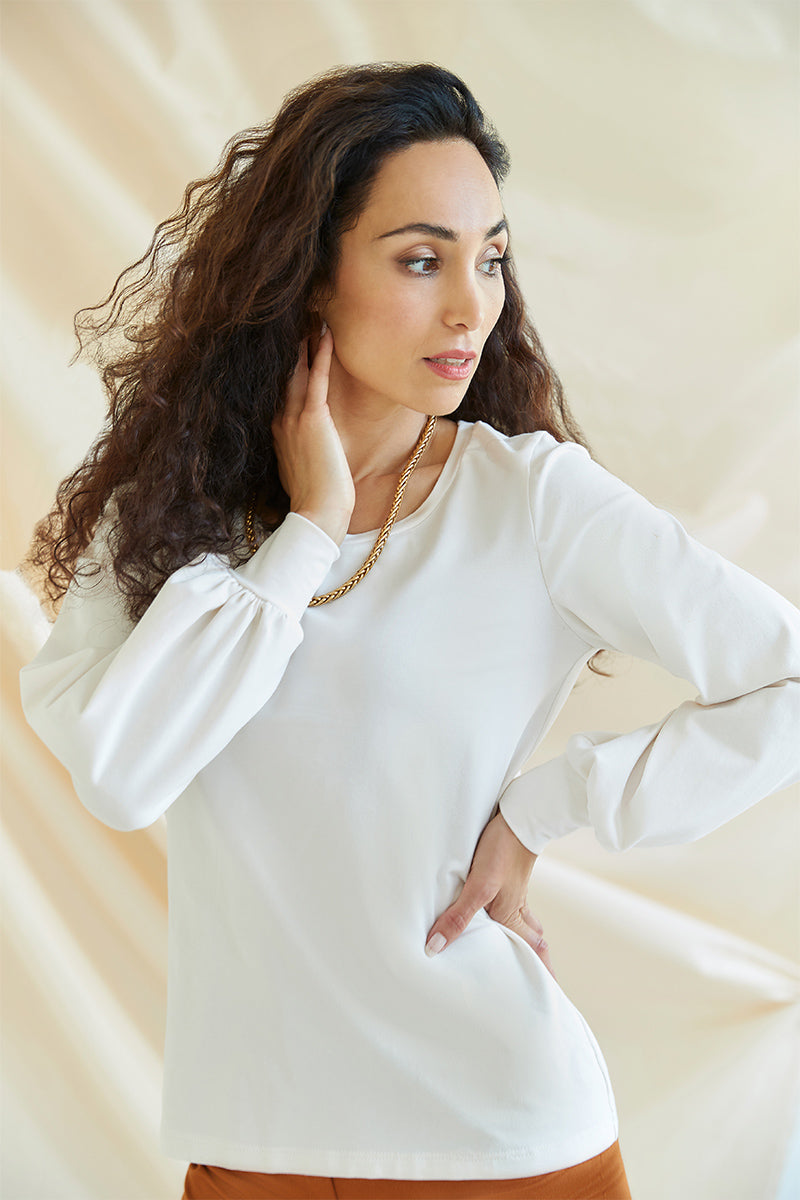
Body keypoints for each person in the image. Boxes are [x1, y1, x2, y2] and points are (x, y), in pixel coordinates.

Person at [18, 61, 800, 1200]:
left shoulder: (530, 501)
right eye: (422, 259)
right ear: (309, 274)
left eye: (490, 259)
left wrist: (544, 807)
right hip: (255, 1148)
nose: (472, 306)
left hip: (502, 1143)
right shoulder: (169, 516)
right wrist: (305, 534)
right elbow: (121, 775)